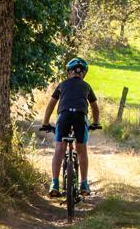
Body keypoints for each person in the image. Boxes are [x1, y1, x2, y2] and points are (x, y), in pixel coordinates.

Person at [41, 56, 101, 197]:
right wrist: (96, 123)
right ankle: (84, 184)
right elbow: (95, 108)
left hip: (64, 116)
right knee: (81, 150)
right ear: (84, 73)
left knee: (59, 148)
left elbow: (51, 105)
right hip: (80, 117)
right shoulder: (87, 86)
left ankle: (54, 183)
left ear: (69, 72)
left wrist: (45, 123)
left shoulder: (62, 85)